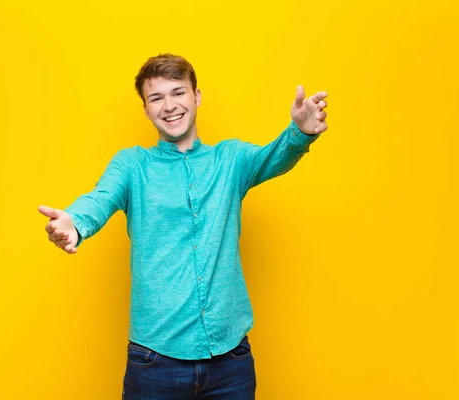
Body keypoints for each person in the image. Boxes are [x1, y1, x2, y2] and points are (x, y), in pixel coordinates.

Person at [38, 53, 328, 399]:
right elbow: (100, 198)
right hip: (155, 360)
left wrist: (301, 132)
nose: (169, 105)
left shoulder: (230, 160)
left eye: (178, 92)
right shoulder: (133, 165)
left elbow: (274, 156)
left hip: (230, 359)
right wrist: (76, 222)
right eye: (156, 98)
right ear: (146, 110)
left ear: (197, 97)